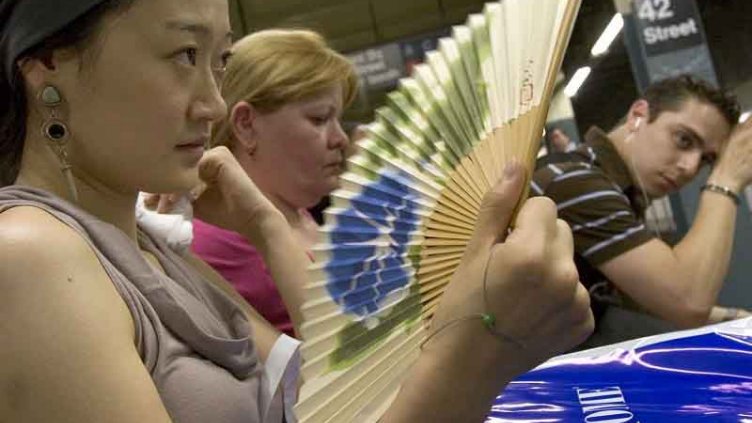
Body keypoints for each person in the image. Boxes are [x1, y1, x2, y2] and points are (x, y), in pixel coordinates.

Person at [0, 1, 593, 422]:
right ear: (48, 66)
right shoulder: (30, 257)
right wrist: (478, 353)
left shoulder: (152, 246)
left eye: (220, 62)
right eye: (183, 54)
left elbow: (338, 384)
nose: (212, 103)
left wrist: (263, 221)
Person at [531, 75, 752, 347]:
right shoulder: (576, 183)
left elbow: (639, 294)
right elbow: (687, 301)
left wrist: (734, 317)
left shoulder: (611, 187)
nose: (691, 167)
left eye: (706, 159)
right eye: (684, 140)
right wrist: (725, 179)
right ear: (638, 115)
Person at [188, 29, 358, 336]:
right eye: (319, 119)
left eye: (338, 120)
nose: (340, 139)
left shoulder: (295, 208)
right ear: (246, 125)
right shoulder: (211, 244)